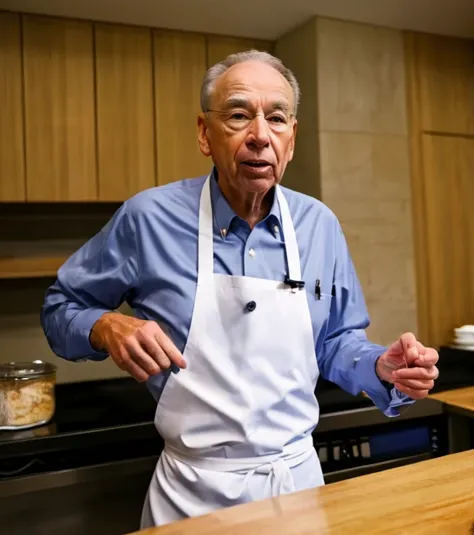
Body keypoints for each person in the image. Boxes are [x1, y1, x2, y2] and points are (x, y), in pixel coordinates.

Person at [41, 50, 439, 528]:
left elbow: (335, 342)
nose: (259, 136)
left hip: (298, 491)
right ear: (204, 134)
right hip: (192, 496)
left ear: (291, 139)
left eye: (276, 118)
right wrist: (104, 325)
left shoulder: (320, 226)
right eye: (237, 115)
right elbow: (61, 306)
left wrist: (380, 367)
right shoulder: (148, 219)